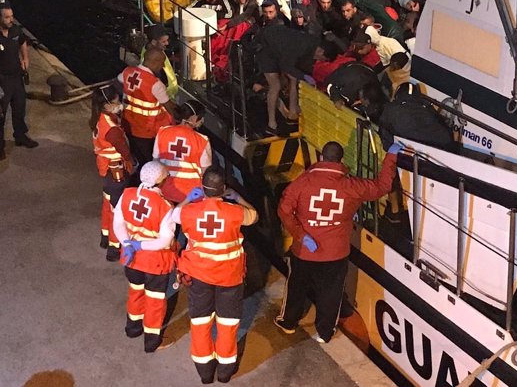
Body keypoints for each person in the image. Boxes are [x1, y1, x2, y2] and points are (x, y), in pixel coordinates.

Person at [275, 141, 402, 342]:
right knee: (331, 293)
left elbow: (284, 210)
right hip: (336, 253)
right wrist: (391, 157)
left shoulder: (303, 182)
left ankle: (288, 322)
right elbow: (382, 186)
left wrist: (300, 235)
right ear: (340, 160)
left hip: (304, 251)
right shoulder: (352, 186)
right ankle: (325, 333)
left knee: (296, 287)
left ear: (321, 158)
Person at [173, 168, 258, 384]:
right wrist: (240, 198)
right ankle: (225, 371)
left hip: (199, 275)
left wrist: (187, 199)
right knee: (228, 322)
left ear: (202, 188)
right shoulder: (234, 212)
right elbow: (254, 216)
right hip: (230, 276)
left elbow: (173, 216)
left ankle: (204, 371)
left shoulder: (190, 211)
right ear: (223, 189)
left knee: (201, 321)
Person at [112, 161, 176, 353]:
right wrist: (143, 245)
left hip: (132, 259)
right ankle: (152, 342)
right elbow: (165, 241)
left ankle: (132, 329)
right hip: (155, 263)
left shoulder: (127, 194)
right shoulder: (165, 207)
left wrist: (129, 244)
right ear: (161, 182)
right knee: (155, 301)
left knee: (135, 292)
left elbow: (118, 224)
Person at [91, 85, 135, 261]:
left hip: (106, 169)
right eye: (117, 101)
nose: (119, 104)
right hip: (116, 171)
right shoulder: (113, 129)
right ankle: (114, 248)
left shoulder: (99, 119)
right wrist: (131, 163)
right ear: (107, 105)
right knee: (118, 211)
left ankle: (104, 237)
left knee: (107, 205)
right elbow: (124, 150)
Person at [254, 23, 323, 135]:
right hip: (266, 50)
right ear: (320, 51)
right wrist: (305, 77)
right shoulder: (302, 46)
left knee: (294, 78)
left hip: (279, 50)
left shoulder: (309, 44)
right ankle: (272, 124)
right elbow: (286, 66)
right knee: (275, 86)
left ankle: (292, 113)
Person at [118, 47, 177, 165]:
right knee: (148, 162)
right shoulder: (155, 84)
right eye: (162, 63)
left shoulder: (127, 72)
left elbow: (119, 80)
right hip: (146, 131)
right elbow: (170, 108)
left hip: (129, 124)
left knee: (136, 156)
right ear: (154, 62)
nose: (162, 67)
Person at [153, 100, 212, 204]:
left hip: (165, 191)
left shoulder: (163, 132)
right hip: (191, 194)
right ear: (193, 118)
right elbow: (206, 171)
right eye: (201, 117)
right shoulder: (202, 140)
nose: (202, 120)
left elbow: (155, 162)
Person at [0, 2, 38, 160]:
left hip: (16, 77)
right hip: (1, 80)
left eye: (12, 16)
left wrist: (25, 58)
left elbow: (23, 41)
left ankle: (20, 136)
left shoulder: (16, 30)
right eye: (7, 17)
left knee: (19, 109)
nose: (11, 19)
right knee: (1, 115)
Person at [378, 82, 454, 150]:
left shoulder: (391, 108)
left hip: (408, 154)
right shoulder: (428, 108)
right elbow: (447, 136)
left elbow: (386, 142)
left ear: (397, 95)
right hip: (438, 152)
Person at [143, 24, 178, 100]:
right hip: (163, 99)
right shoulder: (152, 59)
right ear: (154, 42)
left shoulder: (157, 50)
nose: (167, 43)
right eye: (163, 41)